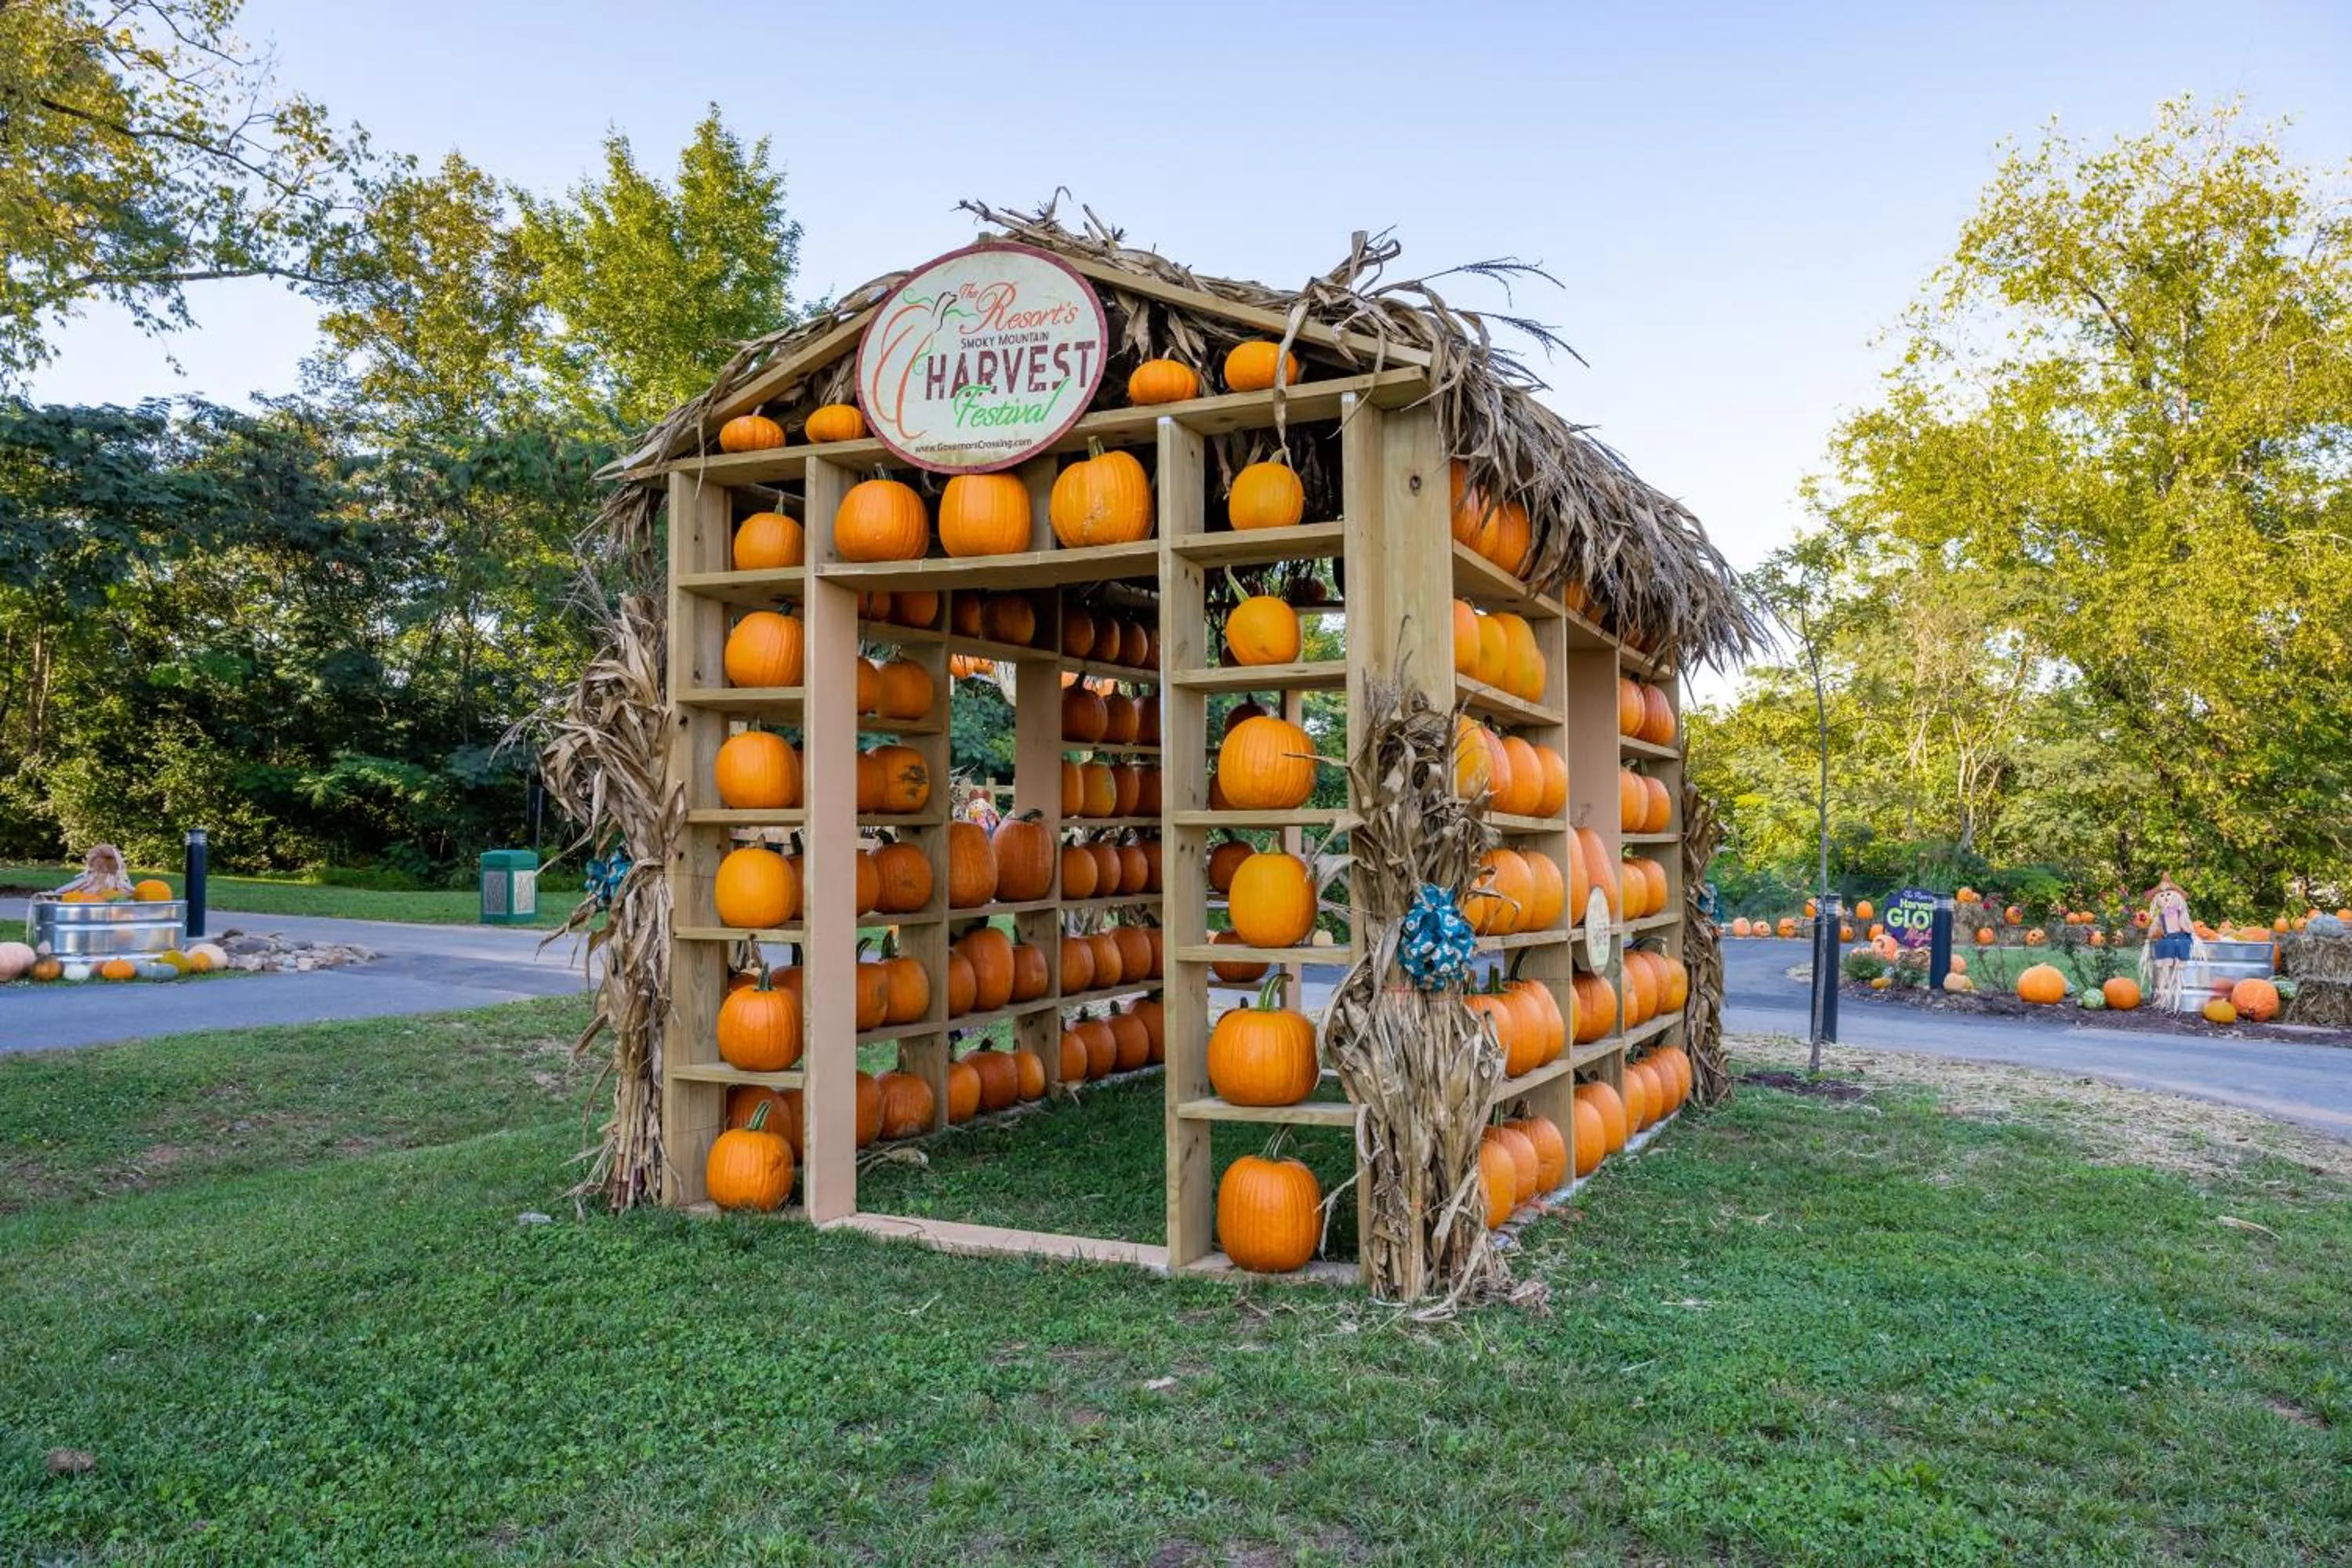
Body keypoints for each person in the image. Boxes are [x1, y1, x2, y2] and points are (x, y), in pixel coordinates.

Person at [2143, 874, 2194, 1010]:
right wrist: (2151, 934)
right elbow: (2154, 927)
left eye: (2169, 894)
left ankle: (2180, 960)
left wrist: (2188, 929)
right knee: (2164, 944)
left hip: (2179, 935)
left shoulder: (2180, 912)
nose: (2165, 897)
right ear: (2156, 900)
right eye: (2162, 895)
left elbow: (2186, 924)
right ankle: (2166, 960)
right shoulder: (2160, 917)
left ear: (2177, 897)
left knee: (2182, 943)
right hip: (2168, 936)